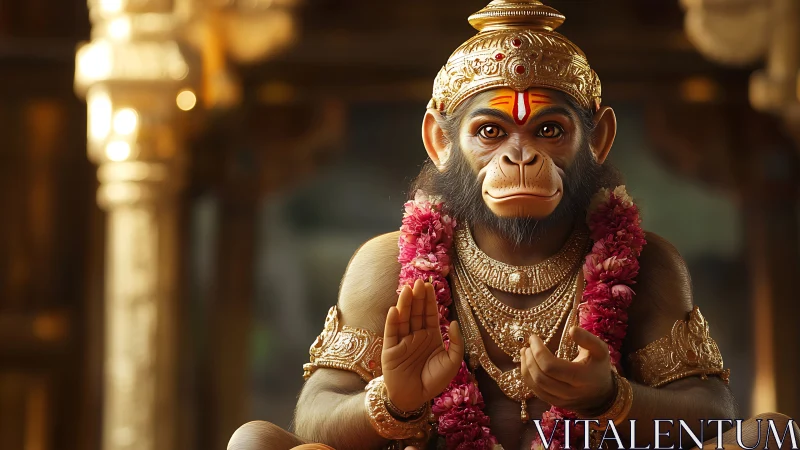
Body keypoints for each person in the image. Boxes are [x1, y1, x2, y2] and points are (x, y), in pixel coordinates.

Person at [229, 1, 796, 449]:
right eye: (491, 132)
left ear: (596, 140)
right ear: (439, 142)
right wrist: (393, 401)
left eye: (549, 131)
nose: (520, 156)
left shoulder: (647, 264)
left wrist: (610, 398)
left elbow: (713, 414)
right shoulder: (388, 265)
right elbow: (315, 416)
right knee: (254, 442)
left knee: (773, 437)